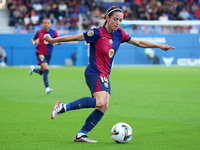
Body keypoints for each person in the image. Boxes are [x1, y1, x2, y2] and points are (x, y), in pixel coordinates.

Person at [44, 6, 175, 143]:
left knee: (104, 106)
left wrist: (159, 45)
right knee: (100, 102)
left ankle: (81, 134)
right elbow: (74, 36)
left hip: (105, 74)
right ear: (107, 18)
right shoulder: (97, 33)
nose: (118, 23)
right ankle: (63, 107)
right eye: (115, 19)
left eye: (120, 20)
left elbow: (139, 42)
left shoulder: (120, 34)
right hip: (94, 72)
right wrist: (53, 40)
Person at [30, 18, 61, 95]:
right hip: (40, 53)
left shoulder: (54, 32)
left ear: (50, 24)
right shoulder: (39, 32)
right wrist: (34, 42)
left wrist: (55, 42)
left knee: (41, 72)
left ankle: (33, 69)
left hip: (48, 54)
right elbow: (33, 39)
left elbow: (60, 42)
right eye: (45, 23)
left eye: (48, 23)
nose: (46, 24)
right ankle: (47, 88)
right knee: (46, 69)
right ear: (42, 24)